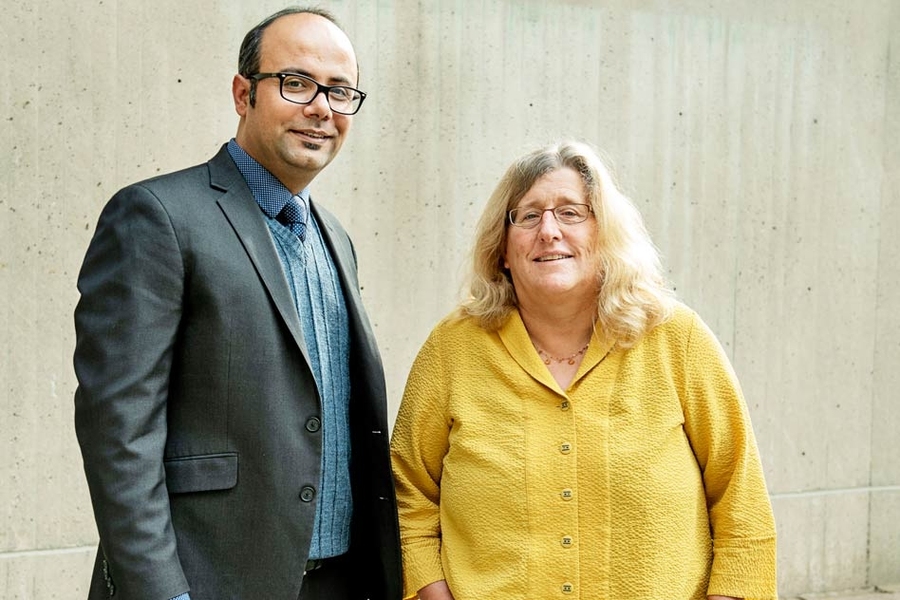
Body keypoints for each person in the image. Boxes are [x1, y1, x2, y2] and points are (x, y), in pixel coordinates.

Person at [73, 7, 400, 600]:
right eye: (297, 83)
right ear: (243, 92)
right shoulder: (157, 217)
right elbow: (119, 432)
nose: (322, 107)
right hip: (209, 582)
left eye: (341, 91)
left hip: (340, 581)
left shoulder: (337, 238)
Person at [390, 140, 778, 600]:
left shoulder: (677, 339)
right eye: (528, 215)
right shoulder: (452, 349)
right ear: (503, 250)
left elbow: (741, 503)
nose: (549, 231)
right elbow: (407, 495)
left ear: (606, 235)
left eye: (572, 213)